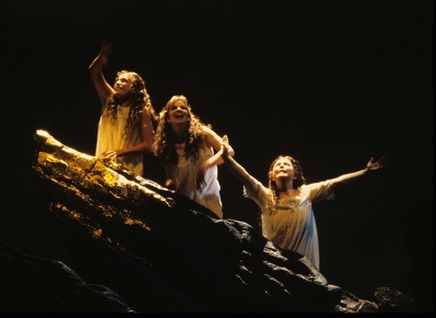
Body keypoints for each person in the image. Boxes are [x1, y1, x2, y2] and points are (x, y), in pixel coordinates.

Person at [220, 135, 386, 270]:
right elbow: (245, 177)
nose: (282, 166)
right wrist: (227, 158)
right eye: (277, 165)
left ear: (295, 175)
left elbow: (337, 182)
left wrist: (365, 172)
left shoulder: (307, 192)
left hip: (305, 268)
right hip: (276, 266)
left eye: (286, 164)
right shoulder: (265, 197)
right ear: (272, 176)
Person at [153, 95, 234, 219]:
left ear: (188, 116)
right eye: (173, 108)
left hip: (209, 204)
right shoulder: (166, 147)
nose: (179, 109)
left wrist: (204, 166)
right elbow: (170, 179)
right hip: (185, 208)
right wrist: (169, 183)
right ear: (168, 118)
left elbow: (229, 151)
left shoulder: (203, 134)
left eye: (183, 107)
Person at [89, 41, 157, 176]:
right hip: (104, 167)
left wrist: (120, 152)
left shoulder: (141, 111)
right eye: (117, 80)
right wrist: (100, 60)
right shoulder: (108, 100)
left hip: (128, 171)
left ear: (134, 88)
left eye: (124, 80)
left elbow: (148, 145)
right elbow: (94, 72)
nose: (118, 82)